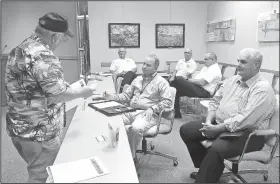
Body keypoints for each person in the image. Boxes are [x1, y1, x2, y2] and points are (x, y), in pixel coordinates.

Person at [4, 12, 97, 183]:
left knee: (35, 168)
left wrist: (62, 84)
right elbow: (59, 95)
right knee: (42, 176)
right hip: (39, 132)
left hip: (18, 127)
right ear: (55, 37)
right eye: (64, 38)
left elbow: (31, 85)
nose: (64, 42)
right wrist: (84, 93)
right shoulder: (44, 56)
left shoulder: (19, 49)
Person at [179, 48, 277, 183]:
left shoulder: (262, 89)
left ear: (256, 65)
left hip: (248, 134)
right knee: (186, 130)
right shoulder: (233, 79)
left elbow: (245, 119)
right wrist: (208, 122)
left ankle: (205, 178)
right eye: (238, 61)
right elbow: (215, 101)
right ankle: (207, 170)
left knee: (216, 148)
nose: (238, 65)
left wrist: (217, 129)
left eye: (243, 62)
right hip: (221, 124)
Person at [104, 54, 172, 163]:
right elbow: (126, 96)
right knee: (112, 122)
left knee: (135, 128)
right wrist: (111, 97)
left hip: (148, 113)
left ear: (155, 68)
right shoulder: (137, 79)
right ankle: (116, 152)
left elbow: (168, 101)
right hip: (131, 110)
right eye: (143, 64)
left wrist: (153, 109)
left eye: (148, 65)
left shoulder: (161, 82)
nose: (144, 66)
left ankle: (130, 158)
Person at [170, 52, 222, 118]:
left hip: (204, 92)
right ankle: (176, 114)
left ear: (212, 60)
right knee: (176, 90)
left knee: (178, 79)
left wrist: (187, 80)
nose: (204, 61)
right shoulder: (206, 68)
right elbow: (197, 79)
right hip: (197, 88)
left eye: (206, 59)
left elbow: (202, 82)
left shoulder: (215, 69)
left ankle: (166, 104)